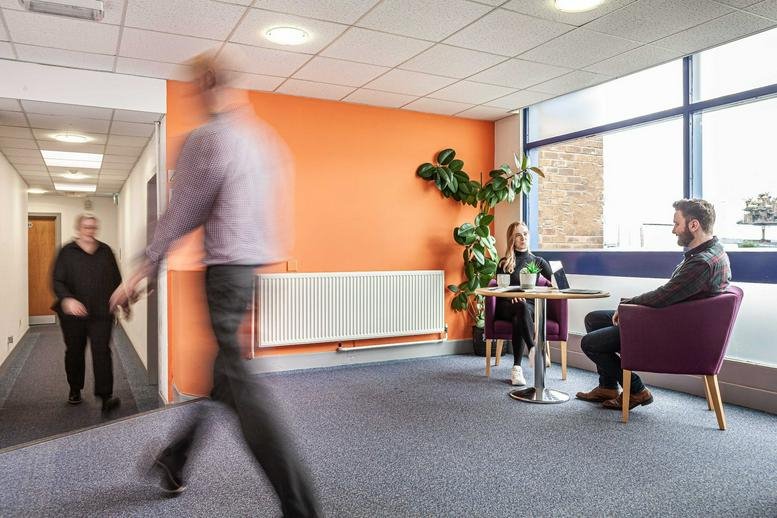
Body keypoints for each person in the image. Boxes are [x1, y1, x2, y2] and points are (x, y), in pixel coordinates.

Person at [109, 51, 319, 517]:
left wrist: (143, 270)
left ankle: (302, 508)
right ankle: (173, 460)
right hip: (251, 276)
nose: (192, 95)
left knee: (244, 392)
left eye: (192, 85)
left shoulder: (210, 139)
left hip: (225, 277)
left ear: (206, 81)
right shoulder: (263, 140)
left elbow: (183, 210)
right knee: (225, 380)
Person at [576, 199, 731, 411]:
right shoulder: (713, 251)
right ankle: (608, 387)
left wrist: (629, 306)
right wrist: (630, 307)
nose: (674, 230)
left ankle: (637, 390)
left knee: (590, 344)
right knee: (594, 318)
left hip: (670, 333)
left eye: (677, 224)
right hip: (677, 320)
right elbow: (672, 296)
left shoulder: (701, 263)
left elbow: (664, 296)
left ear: (694, 225)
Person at [52, 213, 122, 415]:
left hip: (101, 313)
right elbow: (57, 280)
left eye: (93, 227)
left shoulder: (105, 251)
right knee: (74, 351)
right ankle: (75, 388)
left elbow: (116, 279)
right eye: (86, 227)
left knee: (102, 352)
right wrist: (67, 298)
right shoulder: (67, 252)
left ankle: (105, 397)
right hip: (74, 315)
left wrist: (120, 300)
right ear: (79, 229)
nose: (90, 231)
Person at [494, 221, 552, 386]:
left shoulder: (538, 262)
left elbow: (556, 285)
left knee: (521, 310)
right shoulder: (504, 263)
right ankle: (533, 348)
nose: (523, 238)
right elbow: (498, 290)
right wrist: (511, 297)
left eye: (525, 234)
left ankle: (517, 369)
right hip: (506, 306)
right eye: (518, 235)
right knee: (519, 307)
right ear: (512, 239)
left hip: (528, 307)